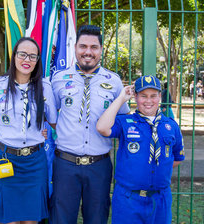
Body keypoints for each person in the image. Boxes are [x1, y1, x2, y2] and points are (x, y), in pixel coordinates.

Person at [50, 25, 130, 224]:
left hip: (99, 165)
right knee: (61, 219)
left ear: (101, 49)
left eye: (94, 47)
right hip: (65, 164)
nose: (88, 52)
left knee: (97, 218)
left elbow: (122, 120)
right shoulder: (59, 79)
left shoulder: (114, 81)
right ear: (75, 48)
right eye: (83, 46)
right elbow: (51, 117)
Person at [0, 37, 57, 224]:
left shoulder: (45, 87)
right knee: (9, 219)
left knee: (31, 219)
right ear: (14, 56)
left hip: (34, 161)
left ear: (38, 60)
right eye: (22, 54)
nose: (27, 60)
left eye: (33, 56)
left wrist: (46, 131)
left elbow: (54, 122)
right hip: (6, 158)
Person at [97, 75, 185, 224]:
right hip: (128, 199)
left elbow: (177, 157)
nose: (148, 101)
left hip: (160, 198)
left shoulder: (171, 126)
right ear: (135, 97)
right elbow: (102, 127)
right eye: (143, 96)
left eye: (153, 96)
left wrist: (154, 169)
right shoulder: (126, 122)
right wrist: (121, 98)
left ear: (160, 97)